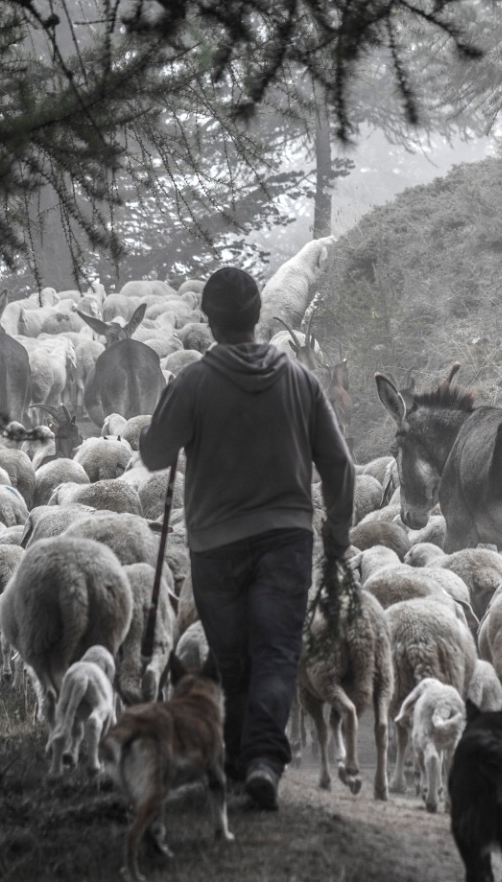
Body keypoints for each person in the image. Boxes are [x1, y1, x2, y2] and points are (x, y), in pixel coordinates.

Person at [139, 266, 355, 811]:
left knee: (234, 660)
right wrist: (337, 531)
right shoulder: (300, 381)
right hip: (286, 539)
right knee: (278, 654)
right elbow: (340, 464)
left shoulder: (191, 383)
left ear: (209, 322)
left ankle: (247, 758)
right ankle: (255, 760)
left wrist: (168, 406)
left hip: (215, 545)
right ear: (258, 317)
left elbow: (153, 456)